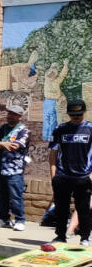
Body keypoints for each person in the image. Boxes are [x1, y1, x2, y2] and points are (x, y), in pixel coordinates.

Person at [47, 99, 91, 247]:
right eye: (73, 114)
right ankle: (60, 236)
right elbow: (53, 152)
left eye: (78, 114)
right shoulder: (60, 129)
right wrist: (53, 175)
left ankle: (84, 237)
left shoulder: (90, 129)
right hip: (62, 176)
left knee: (83, 209)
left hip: (83, 176)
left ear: (84, 112)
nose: (76, 117)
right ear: (68, 114)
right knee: (61, 208)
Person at [0, 103, 29, 230]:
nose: (10, 116)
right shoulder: (1, 128)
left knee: (15, 196)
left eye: (13, 114)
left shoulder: (24, 130)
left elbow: (14, 146)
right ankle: (3, 219)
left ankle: (20, 220)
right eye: (9, 113)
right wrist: (3, 143)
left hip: (14, 170)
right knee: (0, 196)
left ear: (20, 116)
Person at [41, 60, 69, 142]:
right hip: (53, 102)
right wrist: (65, 65)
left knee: (46, 119)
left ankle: (45, 136)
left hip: (47, 102)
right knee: (53, 119)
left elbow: (49, 72)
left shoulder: (47, 79)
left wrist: (52, 66)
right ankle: (50, 137)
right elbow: (63, 74)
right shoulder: (57, 81)